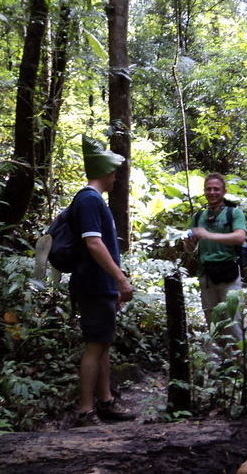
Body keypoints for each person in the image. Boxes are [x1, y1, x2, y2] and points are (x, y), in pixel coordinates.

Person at [70, 135, 135, 427]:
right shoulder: (88, 199)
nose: (115, 178)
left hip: (102, 285)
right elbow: (94, 244)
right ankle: (85, 411)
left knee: (103, 344)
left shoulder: (94, 201)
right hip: (93, 284)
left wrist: (115, 285)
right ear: (105, 172)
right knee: (95, 346)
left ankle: (106, 401)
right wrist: (120, 280)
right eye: (114, 172)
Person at [184, 172, 247, 342]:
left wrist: (209, 235)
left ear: (224, 191)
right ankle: (221, 365)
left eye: (216, 189)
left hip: (229, 275)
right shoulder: (198, 217)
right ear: (204, 191)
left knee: (233, 323)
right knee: (213, 324)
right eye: (209, 189)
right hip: (206, 276)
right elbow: (191, 249)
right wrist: (188, 241)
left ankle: (238, 364)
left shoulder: (233, 213)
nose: (212, 192)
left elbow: (240, 237)